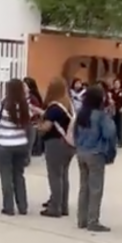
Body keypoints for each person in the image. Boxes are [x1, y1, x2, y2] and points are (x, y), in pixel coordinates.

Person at [73, 85, 116, 232]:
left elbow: (75, 133)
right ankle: (93, 220)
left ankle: (82, 219)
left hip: (81, 152)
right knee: (96, 188)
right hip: (96, 153)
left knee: (84, 187)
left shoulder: (81, 113)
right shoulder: (100, 115)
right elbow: (109, 133)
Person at [0, 79, 31, 215]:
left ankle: (8, 207)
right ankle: (23, 206)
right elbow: (30, 122)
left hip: (4, 144)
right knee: (19, 175)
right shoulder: (25, 105)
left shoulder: (1, 104)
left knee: (6, 176)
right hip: (21, 143)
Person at [38, 77, 76, 218]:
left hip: (56, 143)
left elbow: (46, 127)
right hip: (69, 144)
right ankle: (63, 205)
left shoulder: (54, 107)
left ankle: (55, 207)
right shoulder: (68, 105)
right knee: (63, 175)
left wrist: (37, 128)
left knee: (54, 175)